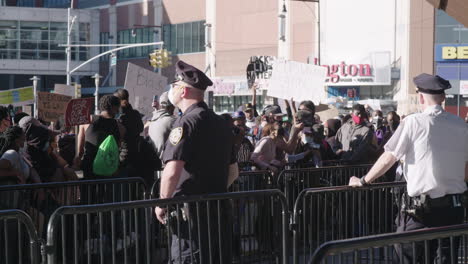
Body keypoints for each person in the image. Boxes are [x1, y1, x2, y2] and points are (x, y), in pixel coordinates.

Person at [349, 73, 468, 263]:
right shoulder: (461, 125)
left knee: (406, 257)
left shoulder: (414, 122)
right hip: (452, 210)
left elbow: (389, 156)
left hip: (421, 212)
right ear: (444, 97)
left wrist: (363, 181)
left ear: (420, 97)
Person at [154, 61, 232, 263]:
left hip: (191, 214)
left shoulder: (185, 122)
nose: (172, 91)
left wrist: (162, 203)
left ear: (184, 91)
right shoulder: (221, 123)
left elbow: (172, 171)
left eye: (174, 86)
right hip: (217, 209)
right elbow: (234, 171)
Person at [81, 95, 126, 179]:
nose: (118, 111)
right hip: (109, 168)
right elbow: (117, 149)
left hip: (89, 167)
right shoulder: (120, 128)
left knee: (88, 191)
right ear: (114, 107)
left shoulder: (87, 120)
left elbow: (79, 150)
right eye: (118, 108)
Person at [113, 88, 144, 177]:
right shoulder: (136, 114)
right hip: (136, 154)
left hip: (123, 156)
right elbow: (141, 129)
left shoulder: (120, 118)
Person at [148, 91, 176, 159]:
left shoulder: (153, 120)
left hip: (154, 162)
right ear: (171, 106)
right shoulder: (172, 121)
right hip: (164, 164)